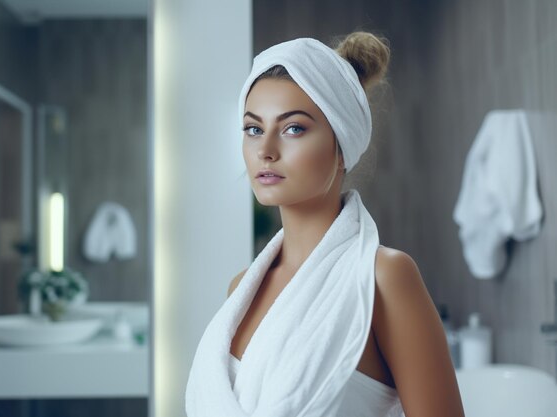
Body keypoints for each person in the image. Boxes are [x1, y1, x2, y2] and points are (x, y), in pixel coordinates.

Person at [185, 31, 465, 417]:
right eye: (253, 129)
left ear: (341, 147)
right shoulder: (240, 289)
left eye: (293, 128)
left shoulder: (383, 278)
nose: (265, 150)